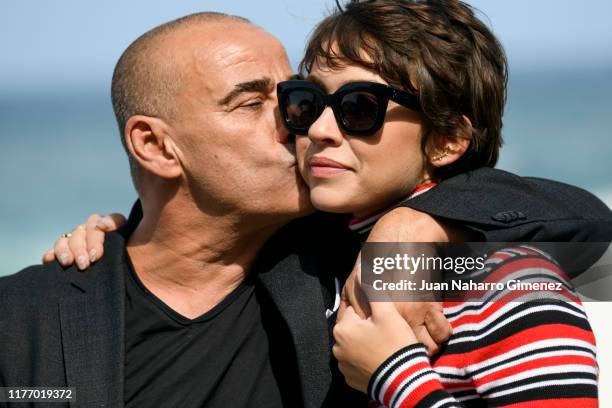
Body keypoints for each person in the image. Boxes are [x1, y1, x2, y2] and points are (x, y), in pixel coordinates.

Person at [24, 3, 611, 408]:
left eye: (359, 107)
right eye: (305, 102)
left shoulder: (487, 274)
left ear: (447, 139)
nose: (309, 128)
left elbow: (583, 227)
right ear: (155, 146)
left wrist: (418, 231)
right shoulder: (314, 249)